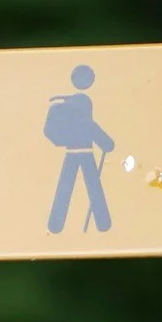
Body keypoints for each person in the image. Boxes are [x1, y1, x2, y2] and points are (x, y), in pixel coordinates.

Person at [44, 64, 115, 233]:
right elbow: (92, 128)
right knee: (92, 186)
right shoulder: (82, 110)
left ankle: (56, 225)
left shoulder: (70, 108)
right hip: (86, 153)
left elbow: (90, 127)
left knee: (67, 186)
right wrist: (107, 143)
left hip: (73, 153)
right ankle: (102, 223)